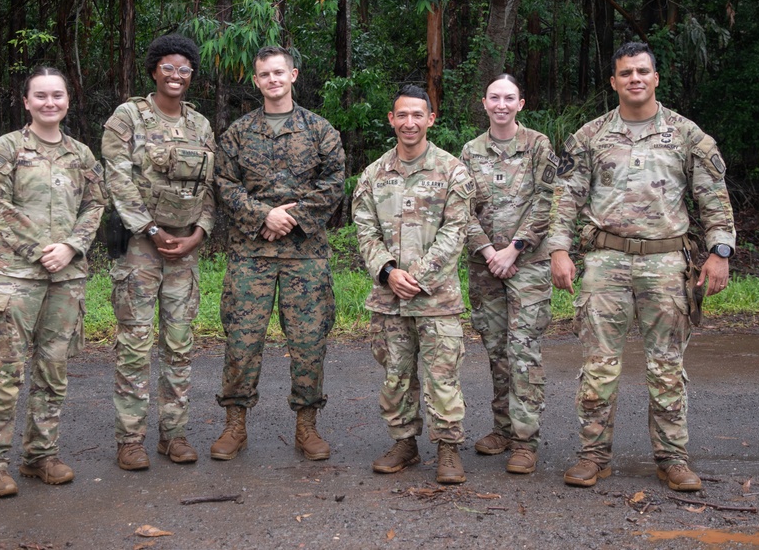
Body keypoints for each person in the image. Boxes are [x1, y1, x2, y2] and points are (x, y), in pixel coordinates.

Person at [548, 42, 736, 491]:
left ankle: (672, 459)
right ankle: (593, 456)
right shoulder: (590, 136)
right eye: (626, 72)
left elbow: (713, 197)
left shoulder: (687, 135)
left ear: (656, 78)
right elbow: (565, 196)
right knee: (598, 365)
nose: (635, 78)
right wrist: (558, 249)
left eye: (642, 71)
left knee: (667, 365)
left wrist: (720, 252)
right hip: (605, 263)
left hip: (666, 262)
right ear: (614, 82)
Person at [0, 67, 106, 498]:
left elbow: (95, 204)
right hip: (14, 277)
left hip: (66, 278)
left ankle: (40, 456)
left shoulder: (82, 155)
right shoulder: (7, 149)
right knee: (5, 371)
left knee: (54, 369)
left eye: (58, 95)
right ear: (26, 102)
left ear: (68, 101)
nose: (50, 103)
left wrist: (70, 247)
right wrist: (38, 249)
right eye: (41, 96)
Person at [211, 46, 345, 462]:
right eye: (264, 74)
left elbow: (335, 183)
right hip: (251, 255)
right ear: (256, 81)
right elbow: (223, 183)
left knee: (308, 343)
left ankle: (307, 427)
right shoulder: (238, 133)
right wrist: (263, 215)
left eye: (278, 73)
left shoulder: (320, 130)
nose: (272, 80)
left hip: (305, 256)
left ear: (293, 76)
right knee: (242, 342)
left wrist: (292, 218)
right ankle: (235, 426)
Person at [102, 34, 216, 470]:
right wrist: (149, 229)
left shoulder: (201, 125)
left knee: (180, 343)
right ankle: (130, 440)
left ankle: (174, 435)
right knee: (134, 343)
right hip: (140, 249)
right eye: (168, 67)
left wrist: (198, 234)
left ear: (191, 75)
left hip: (184, 249)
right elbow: (117, 178)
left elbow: (210, 188)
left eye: (184, 69)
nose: (176, 75)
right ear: (153, 70)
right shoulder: (129, 117)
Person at [352, 85, 476, 484]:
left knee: (442, 376)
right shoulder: (373, 174)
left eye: (417, 115)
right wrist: (389, 272)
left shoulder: (452, 171)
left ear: (430, 119)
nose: (409, 122)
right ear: (391, 119)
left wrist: (417, 278)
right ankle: (404, 443)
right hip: (389, 300)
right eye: (401, 115)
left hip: (436, 299)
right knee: (396, 376)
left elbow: (455, 232)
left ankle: (448, 449)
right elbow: (365, 231)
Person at [460, 74, 557, 475]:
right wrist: (488, 252)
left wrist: (513, 249)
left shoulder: (538, 145)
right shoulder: (469, 151)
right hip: (485, 267)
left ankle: (525, 440)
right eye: (495, 98)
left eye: (509, 98)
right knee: (497, 351)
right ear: (484, 103)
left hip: (528, 264)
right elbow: (460, 209)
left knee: (523, 350)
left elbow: (546, 200)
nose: (501, 104)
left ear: (521, 103)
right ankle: (502, 427)